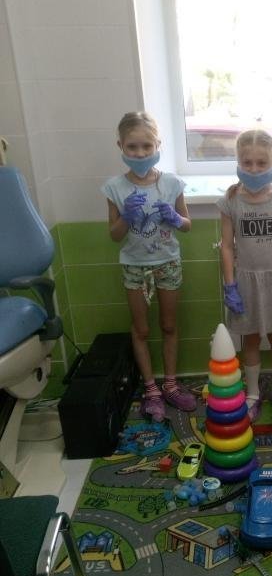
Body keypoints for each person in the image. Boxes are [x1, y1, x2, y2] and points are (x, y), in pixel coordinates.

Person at [101, 111, 196, 422]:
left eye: (146, 146)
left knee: (169, 325)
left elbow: (187, 225)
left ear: (158, 145)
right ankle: (151, 390)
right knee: (141, 329)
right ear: (121, 146)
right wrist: (126, 217)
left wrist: (175, 218)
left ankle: (170, 385)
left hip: (167, 262)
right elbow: (114, 235)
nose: (140, 153)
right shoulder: (114, 188)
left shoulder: (171, 183)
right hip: (134, 266)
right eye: (132, 147)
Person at [218, 129, 272, 423]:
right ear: (238, 162)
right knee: (250, 340)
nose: (254, 169)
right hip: (245, 282)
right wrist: (230, 285)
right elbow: (227, 246)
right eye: (247, 162)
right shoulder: (230, 201)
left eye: (261, 163)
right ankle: (252, 394)